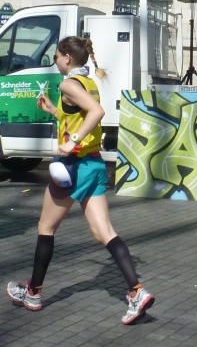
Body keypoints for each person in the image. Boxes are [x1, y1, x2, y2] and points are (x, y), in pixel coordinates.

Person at [6, 37, 155, 325]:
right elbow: (82, 114)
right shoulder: (88, 82)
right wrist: (54, 111)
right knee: (105, 232)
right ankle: (137, 291)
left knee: (46, 228)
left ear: (66, 57)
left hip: (72, 167)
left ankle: (33, 292)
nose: (54, 60)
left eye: (56, 55)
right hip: (94, 165)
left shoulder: (68, 85)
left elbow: (97, 113)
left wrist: (71, 141)